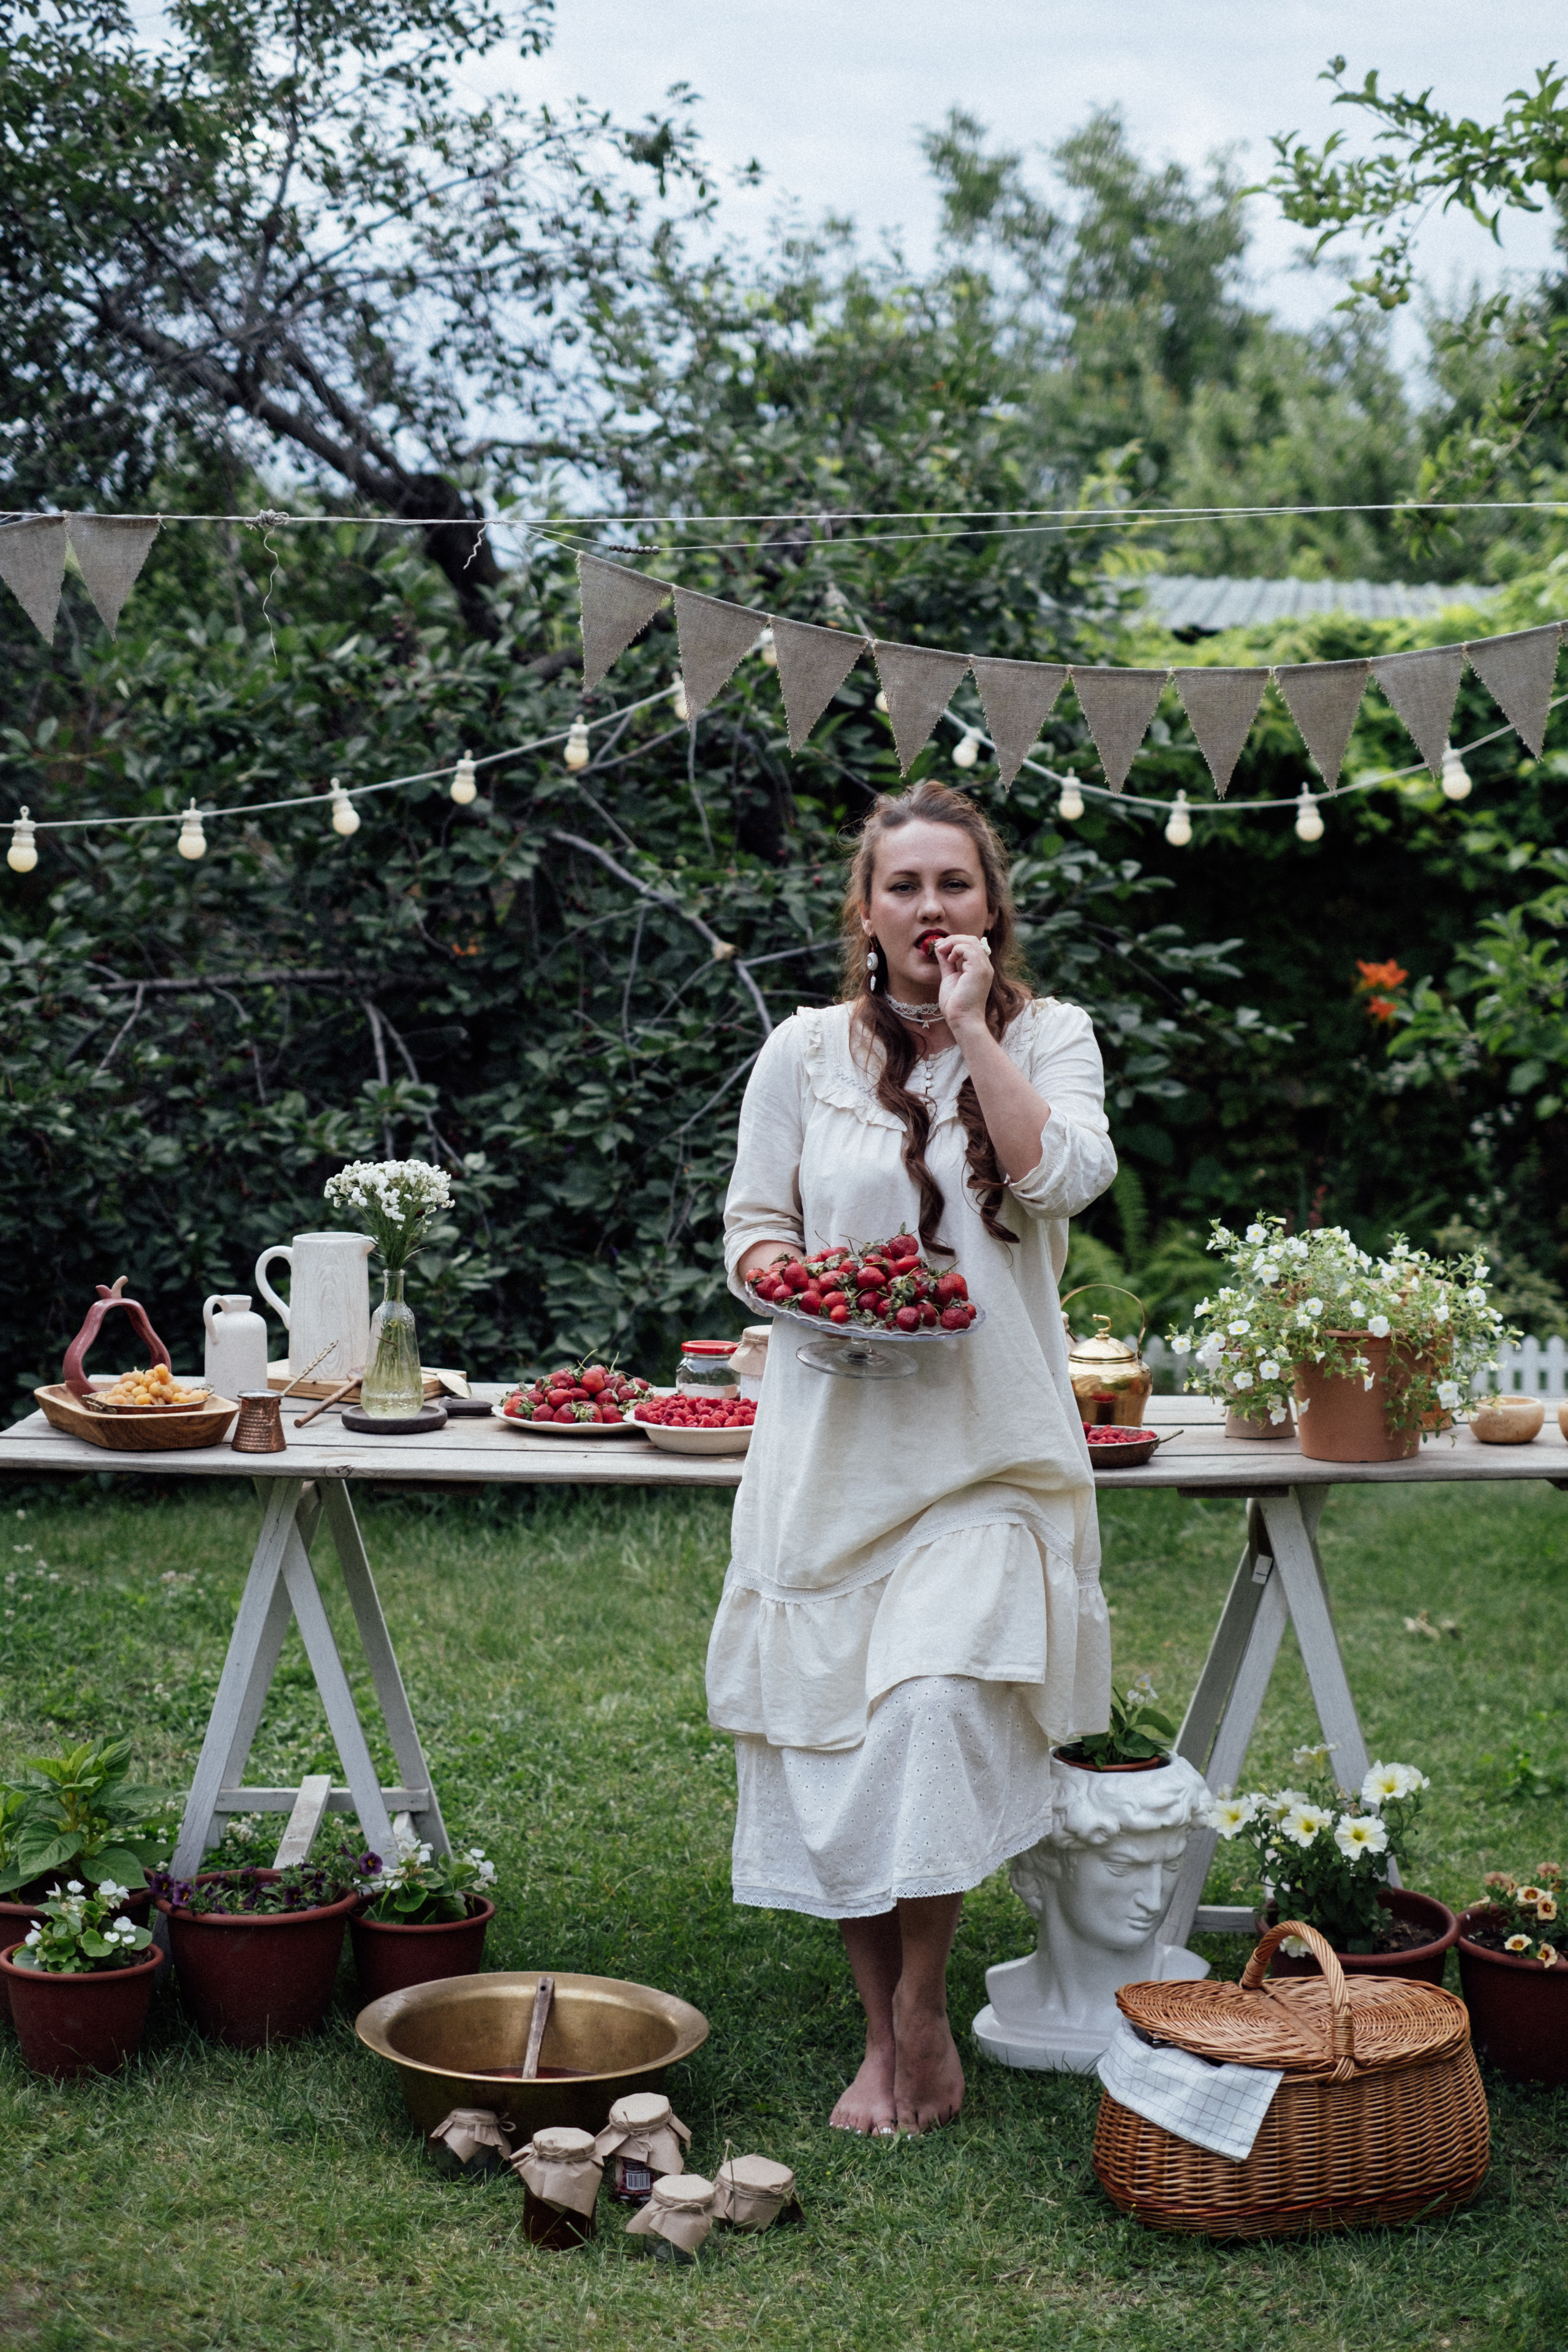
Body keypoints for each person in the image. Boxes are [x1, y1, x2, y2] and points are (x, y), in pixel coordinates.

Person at [708, 777, 1116, 2134]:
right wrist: (802, 1280)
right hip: (831, 1451)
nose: (930, 906)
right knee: (840, 1746)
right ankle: (884, 2043)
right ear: (863, 911)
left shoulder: (1049, 1035)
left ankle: (924, 2010)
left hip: (987, 1457)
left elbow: (1060, 1181)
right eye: (904, 886)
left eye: (953, 883)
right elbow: (750, 1230)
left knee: (933, 1713)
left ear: (988, 904)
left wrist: (963, 1030)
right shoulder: (801, 1052)